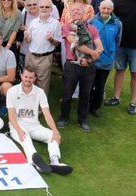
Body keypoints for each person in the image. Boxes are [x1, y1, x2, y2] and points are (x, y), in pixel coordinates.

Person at [7, 67, 73, 175]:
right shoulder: (12, 91)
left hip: (34, 126)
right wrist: (18, 130)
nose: (28, 79)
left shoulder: (40, 92)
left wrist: (55, 131)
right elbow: (11, 116)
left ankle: (55, 162)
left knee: (52, 136)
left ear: (34, 78)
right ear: (21, 76)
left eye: (30, 77)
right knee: (25, 139)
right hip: (17, 126)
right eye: (26, 77)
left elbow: (47, 114)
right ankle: (34, 161)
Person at [56, 2, 103, 133]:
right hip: (72, 65)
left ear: (84, 13)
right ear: (70, 13)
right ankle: (63, 118)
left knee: (85, 95)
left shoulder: (92, 29)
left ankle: (82, 120)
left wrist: (91, 59)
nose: (76, 12)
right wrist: (93, 53)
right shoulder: (67, 27)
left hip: (88, 67)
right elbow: (75, 43)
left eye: (79, 10)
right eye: (73, 10)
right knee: (67, 94)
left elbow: (100, 46)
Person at [88, 0, 121, 117]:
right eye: (104, 8)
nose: (105, 11)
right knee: (89, 84)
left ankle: (96, 107)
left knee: (100, 86)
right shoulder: (92, 21)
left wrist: (112, 53)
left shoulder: (117, 24)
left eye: (108, 9)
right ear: (99, 8)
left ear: (112, 10)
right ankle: (87, 105)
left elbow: (118, 41)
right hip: (92, 59)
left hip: (107, 61)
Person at [23, 0, 61, 96]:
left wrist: (51, 39)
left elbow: (57, 43)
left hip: (45, 58)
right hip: (30, 56)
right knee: (27, 82)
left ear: (51, 9)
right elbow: (28, 41)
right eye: (42, 7)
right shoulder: (33, 22)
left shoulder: (55, 23)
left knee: (42, 86)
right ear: (38, 8)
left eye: (47, 7)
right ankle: (28, 106)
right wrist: (27, 37)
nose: (44, 8)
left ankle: (40, 110)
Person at [0, 0, 22, 65]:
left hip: (9, 42)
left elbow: (15, 31)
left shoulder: (18, 13)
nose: (6, 1)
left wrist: (8, 46)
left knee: (10, 65)